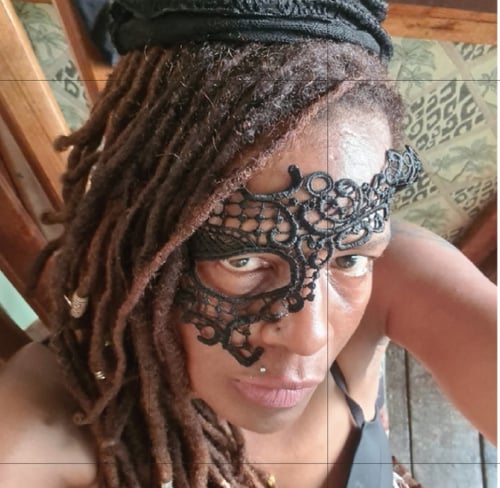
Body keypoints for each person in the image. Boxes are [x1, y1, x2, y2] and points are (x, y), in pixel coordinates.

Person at [0, 1, 496, 487]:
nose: (310, 338)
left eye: (348, 257)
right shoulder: (53, 428)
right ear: (138, 236)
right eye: (242, 258)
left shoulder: (392, 275)